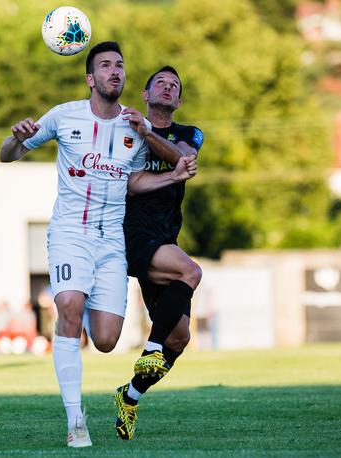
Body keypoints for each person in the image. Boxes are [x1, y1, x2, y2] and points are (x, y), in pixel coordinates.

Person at [0, 41, 197, 448]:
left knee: (106, 340)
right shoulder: (63, 115)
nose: (114, 71)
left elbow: (135, 181)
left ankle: (86, 312)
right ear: (91, 78)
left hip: (112, 242)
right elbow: (7, 155)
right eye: (105, 65)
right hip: (71, 233)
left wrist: (169, 175)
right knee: (68, 307)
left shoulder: (132, 126)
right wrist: (15, 138)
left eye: (120, 65)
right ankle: (76, 422)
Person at [113, 66, 204, 441]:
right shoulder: (124, 130)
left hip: (166, 238)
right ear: (145, 94)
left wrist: (147, 132)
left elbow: (182, 161)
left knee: (179, 337)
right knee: (192, 273)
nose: (168, 87)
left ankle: (129, 397)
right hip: (134, 235)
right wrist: (140, 133)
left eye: (175, 86)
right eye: (160, 84)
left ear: (178, 100)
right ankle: (150, 347)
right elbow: (131, 186)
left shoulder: (188, 134)